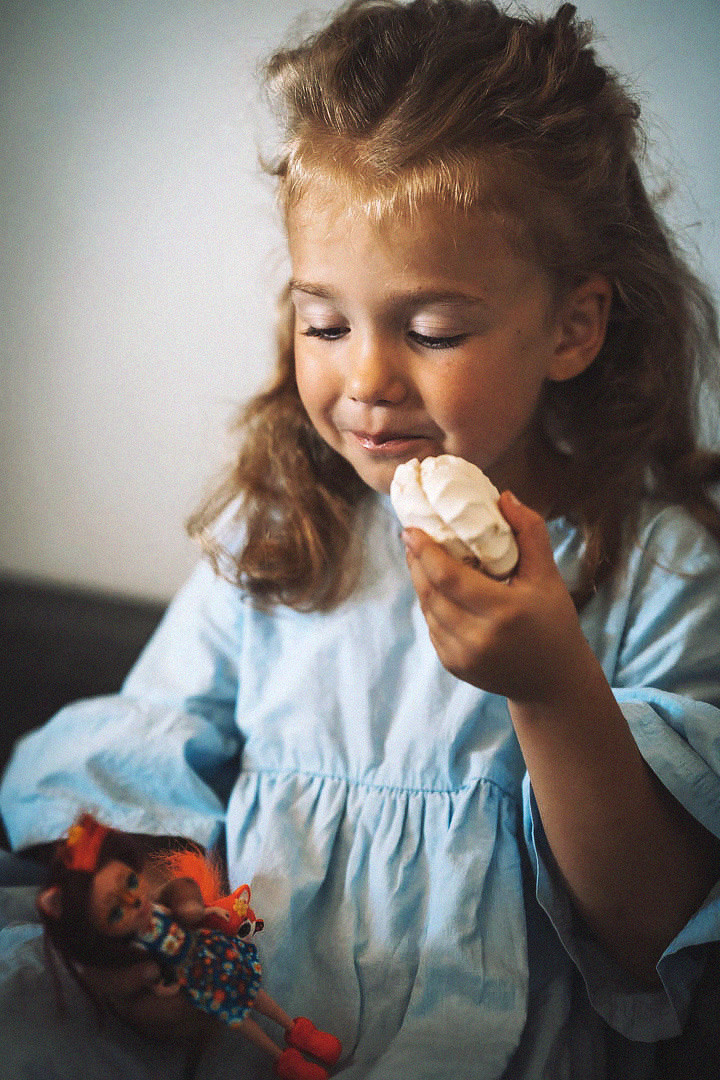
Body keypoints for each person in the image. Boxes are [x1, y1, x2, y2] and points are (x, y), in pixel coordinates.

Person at [1, 1, 720, 1077]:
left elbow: (654, 924)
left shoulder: (658, 574)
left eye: (432, 330)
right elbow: (143, 742)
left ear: (572, 326)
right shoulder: (288, 534)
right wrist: (155, 901)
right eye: (325, 323)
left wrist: (552, 687)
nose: (368, 380)